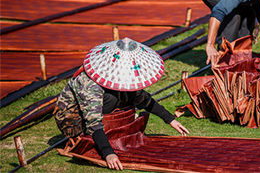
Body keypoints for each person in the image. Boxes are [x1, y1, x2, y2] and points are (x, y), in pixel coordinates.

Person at [55, 38, 189, 171]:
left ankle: (113, 131)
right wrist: (108, 153)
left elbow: (144, 99)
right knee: (114, 98)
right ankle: (99, 137)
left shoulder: (120, 78)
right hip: (73, 121)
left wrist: (170, 119)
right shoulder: (90, 84)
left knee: (130, 93)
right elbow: (93, 122)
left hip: (99, 110)